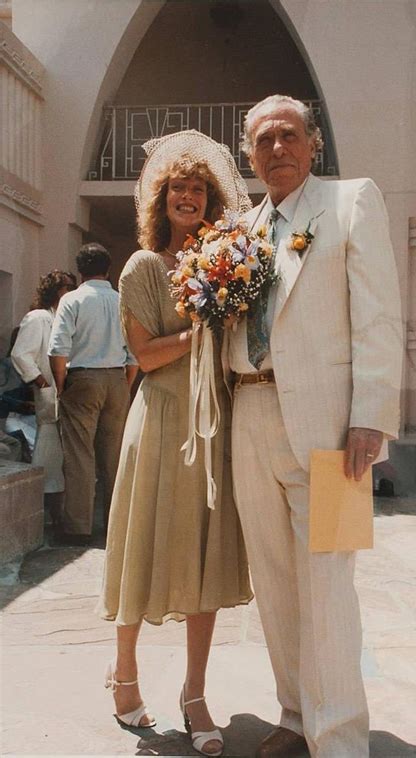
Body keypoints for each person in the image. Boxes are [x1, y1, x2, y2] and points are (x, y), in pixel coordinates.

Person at [225, 95, 403, 758]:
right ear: (248, 155)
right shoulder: (243, 227)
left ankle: (340, 740)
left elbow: (380, 314)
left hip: (333, 433)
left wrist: (370, 417)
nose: (277, 149)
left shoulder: (352, 201)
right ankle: (297, 716)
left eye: (288, 135)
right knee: (274, 583)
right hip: (251, 416)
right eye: (263, 141)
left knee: (330, 590)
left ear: (312, 143)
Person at [97, 130, 253, 756]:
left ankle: (194, 693)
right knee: (147, 544)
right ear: (159, 202)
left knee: (204, 556)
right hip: (161, 423)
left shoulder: (226, 263)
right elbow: (144, 355)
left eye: (198, 190)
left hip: (212, 423)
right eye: (177, 190)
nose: (187, 198)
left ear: (210, 200)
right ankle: (125, 676)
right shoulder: (141, 267)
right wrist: (202, 329)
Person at [48, 244, 138, 545]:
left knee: (80, 455)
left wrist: (60, 385)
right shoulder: (122, 300)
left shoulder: (72, 299)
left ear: (80, 271)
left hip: (83, 376)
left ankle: (78, 527)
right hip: (116, 378)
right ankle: (116, 524)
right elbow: (133, 352)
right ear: (108, 269)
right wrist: (125, 383)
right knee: (113, 455)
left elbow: (58, 348)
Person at [10, 270, 77, 528]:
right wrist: (43, 383)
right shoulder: (38, 318)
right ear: (54, 290)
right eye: (67, 286)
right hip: (51, 400)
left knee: (61, 460)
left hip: (66, 397)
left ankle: (57, 514)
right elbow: (21, 355)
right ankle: (44, 516)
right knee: (47, 459)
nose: (71, 291)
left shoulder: (63, 317)